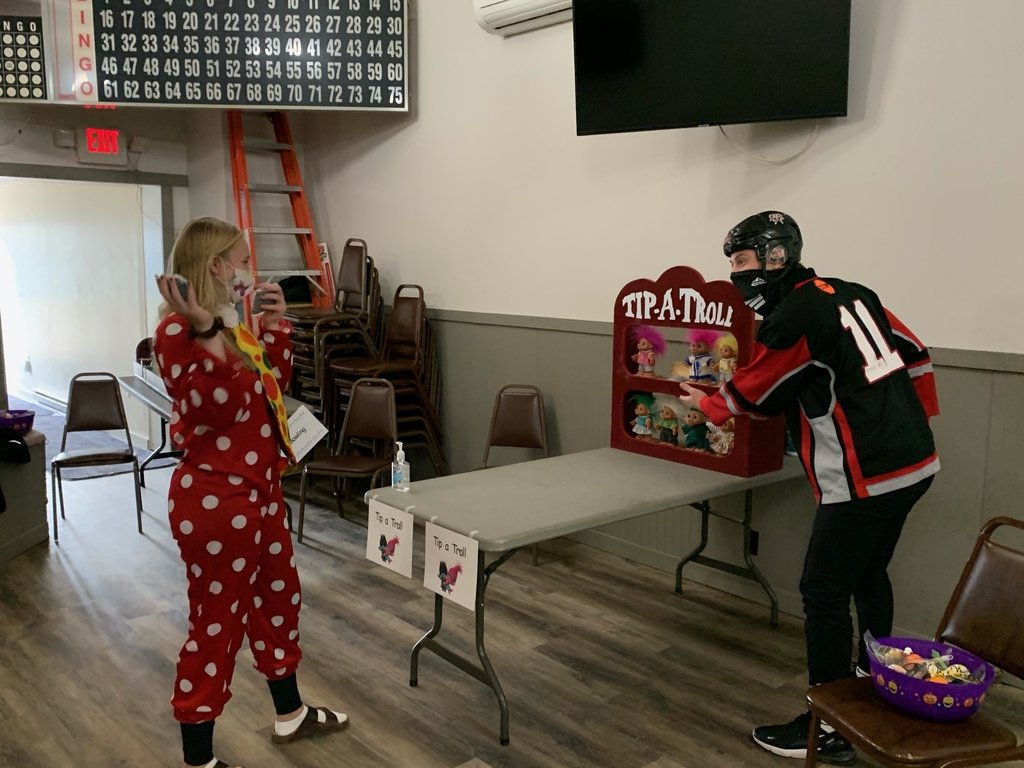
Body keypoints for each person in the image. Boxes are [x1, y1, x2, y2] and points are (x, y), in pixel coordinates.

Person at [679, 212, 939, 766]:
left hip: (866, 475)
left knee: (822, 592)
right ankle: (875, 688)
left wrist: (706, 403)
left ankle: (831, 726)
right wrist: (907, 420)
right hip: (915, 461)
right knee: (869, 574)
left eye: (742, 262)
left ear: (776, 257)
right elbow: (914, 351)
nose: (736, 274)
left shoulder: (792, 315)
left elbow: (753, 398)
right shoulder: (850, 292)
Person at [154, 217, 348, 768]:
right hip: (216, 498)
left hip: (259, 493)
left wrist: (274, 325)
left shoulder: (229, 325)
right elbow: (215, 410)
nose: (248, 270)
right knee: (216, 625)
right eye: (241, 260)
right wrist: (207, 332)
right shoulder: (178, 332)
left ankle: (290, 714)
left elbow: (271, 389)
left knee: (278, 603)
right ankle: (200, 758)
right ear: (215, 265)